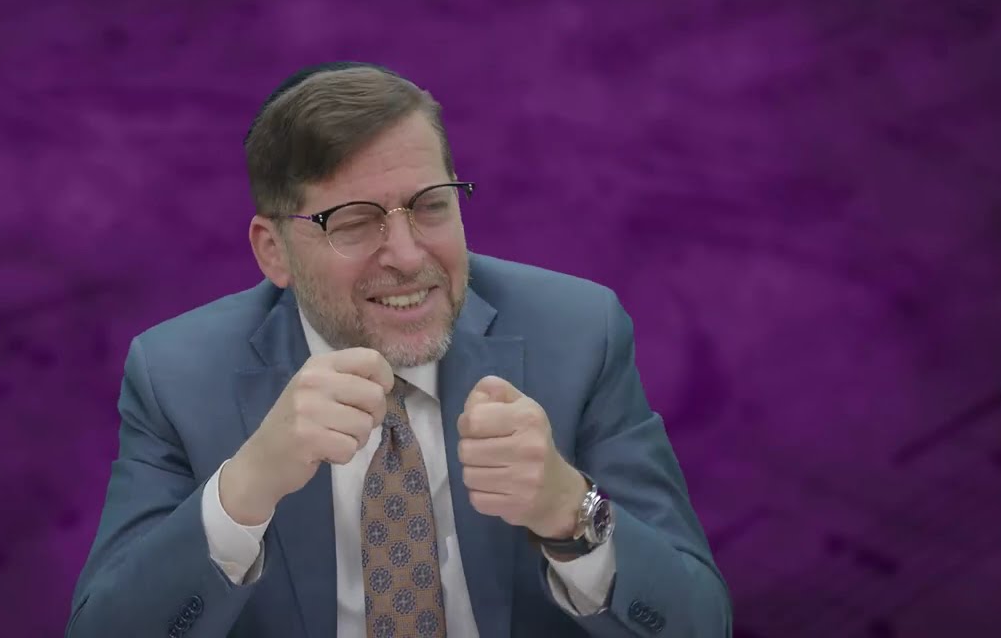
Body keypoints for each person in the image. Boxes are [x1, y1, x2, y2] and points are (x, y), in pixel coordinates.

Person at [66, 62, 732, 638]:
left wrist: (570, 511)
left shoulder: (580, 335)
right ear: (275, 252)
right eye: (354, 222)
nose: (409, 256)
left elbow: (700, 623)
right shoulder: (177, 376)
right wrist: (244, 490)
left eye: (431, 206)